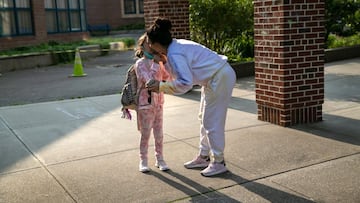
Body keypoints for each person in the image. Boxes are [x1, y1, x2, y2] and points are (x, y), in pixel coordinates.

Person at [145, 18, 236, 177]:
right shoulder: (174, 48)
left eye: (149, 42)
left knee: (211, 122)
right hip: (215, 78)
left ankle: (219, 162)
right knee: (204, 118)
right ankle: (204, 156)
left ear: (157, 43)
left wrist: (160, 87)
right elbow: (177, 75)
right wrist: (162, 63)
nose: (148, 46)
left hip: (219, 78)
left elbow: (185, 83)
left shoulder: (175, 52)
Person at [134, 33, 171, 173]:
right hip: (145, 105)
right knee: (145, 134)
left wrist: (165, 62)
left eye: (151, 44)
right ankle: (143, 160)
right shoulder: (140, 64)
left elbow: (166, 78)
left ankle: (160, 159)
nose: (150, 46)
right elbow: (149, 81)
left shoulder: (158, 62)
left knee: (159, 134)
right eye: (147, 44)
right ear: (142, 47)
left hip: (159, 103)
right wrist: (156, 64)